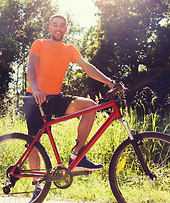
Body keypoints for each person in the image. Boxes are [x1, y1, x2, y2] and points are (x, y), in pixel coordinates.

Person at [24, 14, 114, 202]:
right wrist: (37, 90)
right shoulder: (39, 44)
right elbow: (31, 68)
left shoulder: (69, 50)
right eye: (55, 25)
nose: (58, 28)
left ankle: (77, 156)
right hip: (35, 99)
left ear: (66, 29)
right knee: (34, 143)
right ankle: (37, 188)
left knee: (91, 106)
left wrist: (109, 82)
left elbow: (87, 67)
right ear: (50, 28)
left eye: (62, 26)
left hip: (55, 98)